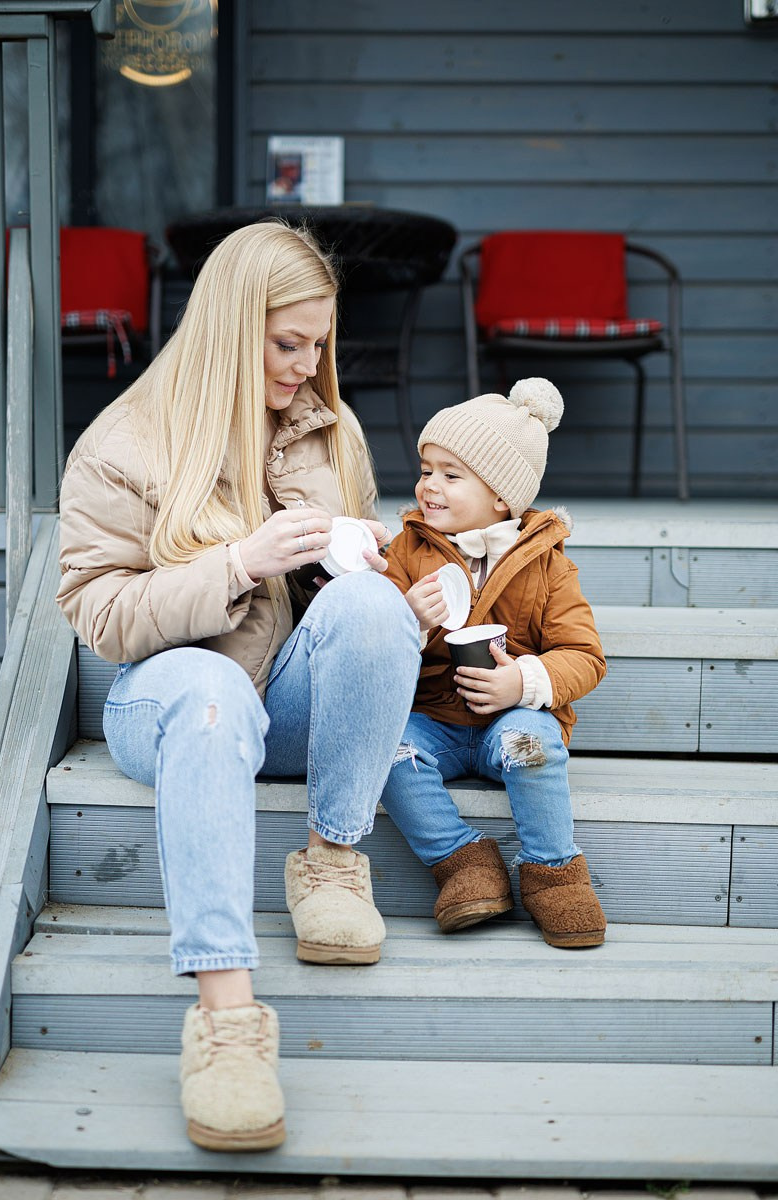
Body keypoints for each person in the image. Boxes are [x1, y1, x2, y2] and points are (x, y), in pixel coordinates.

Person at [56, 221, 420, 1153]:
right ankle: (227, 1021)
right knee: (210, 687)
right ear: (229, 327)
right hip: (171, 700)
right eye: (288, 344)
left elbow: (355, 602)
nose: (309, 368)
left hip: (283, 705)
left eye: (320, 346)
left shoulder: (330, 432)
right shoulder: (122, 443)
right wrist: (237, 563)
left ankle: (331, 859)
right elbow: (101, 614)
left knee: (374, 607)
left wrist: (369, 573)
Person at [380, 378, 608, 950]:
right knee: (385, 751)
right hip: (432, 719)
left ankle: (553, 872)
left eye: (451, 475)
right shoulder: (406, 551)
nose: (429, 486)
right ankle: (464, 861)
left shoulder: (548, 564)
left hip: (513, 718)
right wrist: (408, 620)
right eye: (426, 469)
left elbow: (584, 656)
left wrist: (522, 681)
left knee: (532, 745)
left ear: (501, 496)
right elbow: (371, 647)